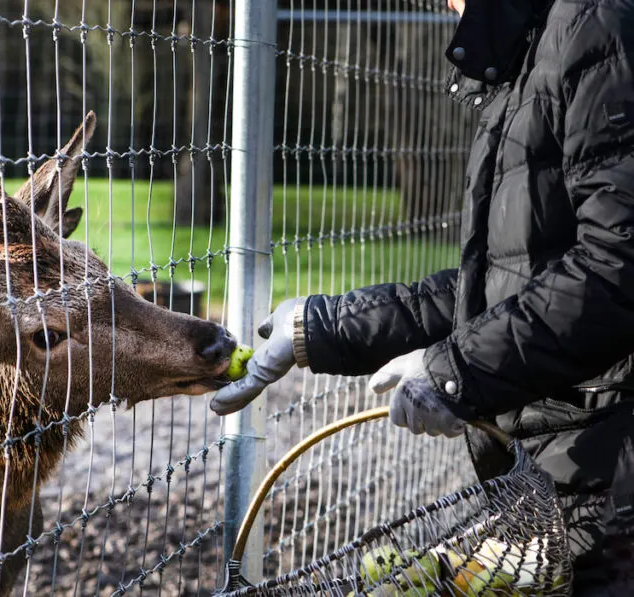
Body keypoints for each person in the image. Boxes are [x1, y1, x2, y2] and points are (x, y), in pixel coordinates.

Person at [212, 0, 634, 592]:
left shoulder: (597, 25)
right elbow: (502, 286)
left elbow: (617, 269)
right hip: (558, 485)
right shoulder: (530, 46)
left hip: (609, 492)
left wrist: (454, 372)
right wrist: (321, 327)